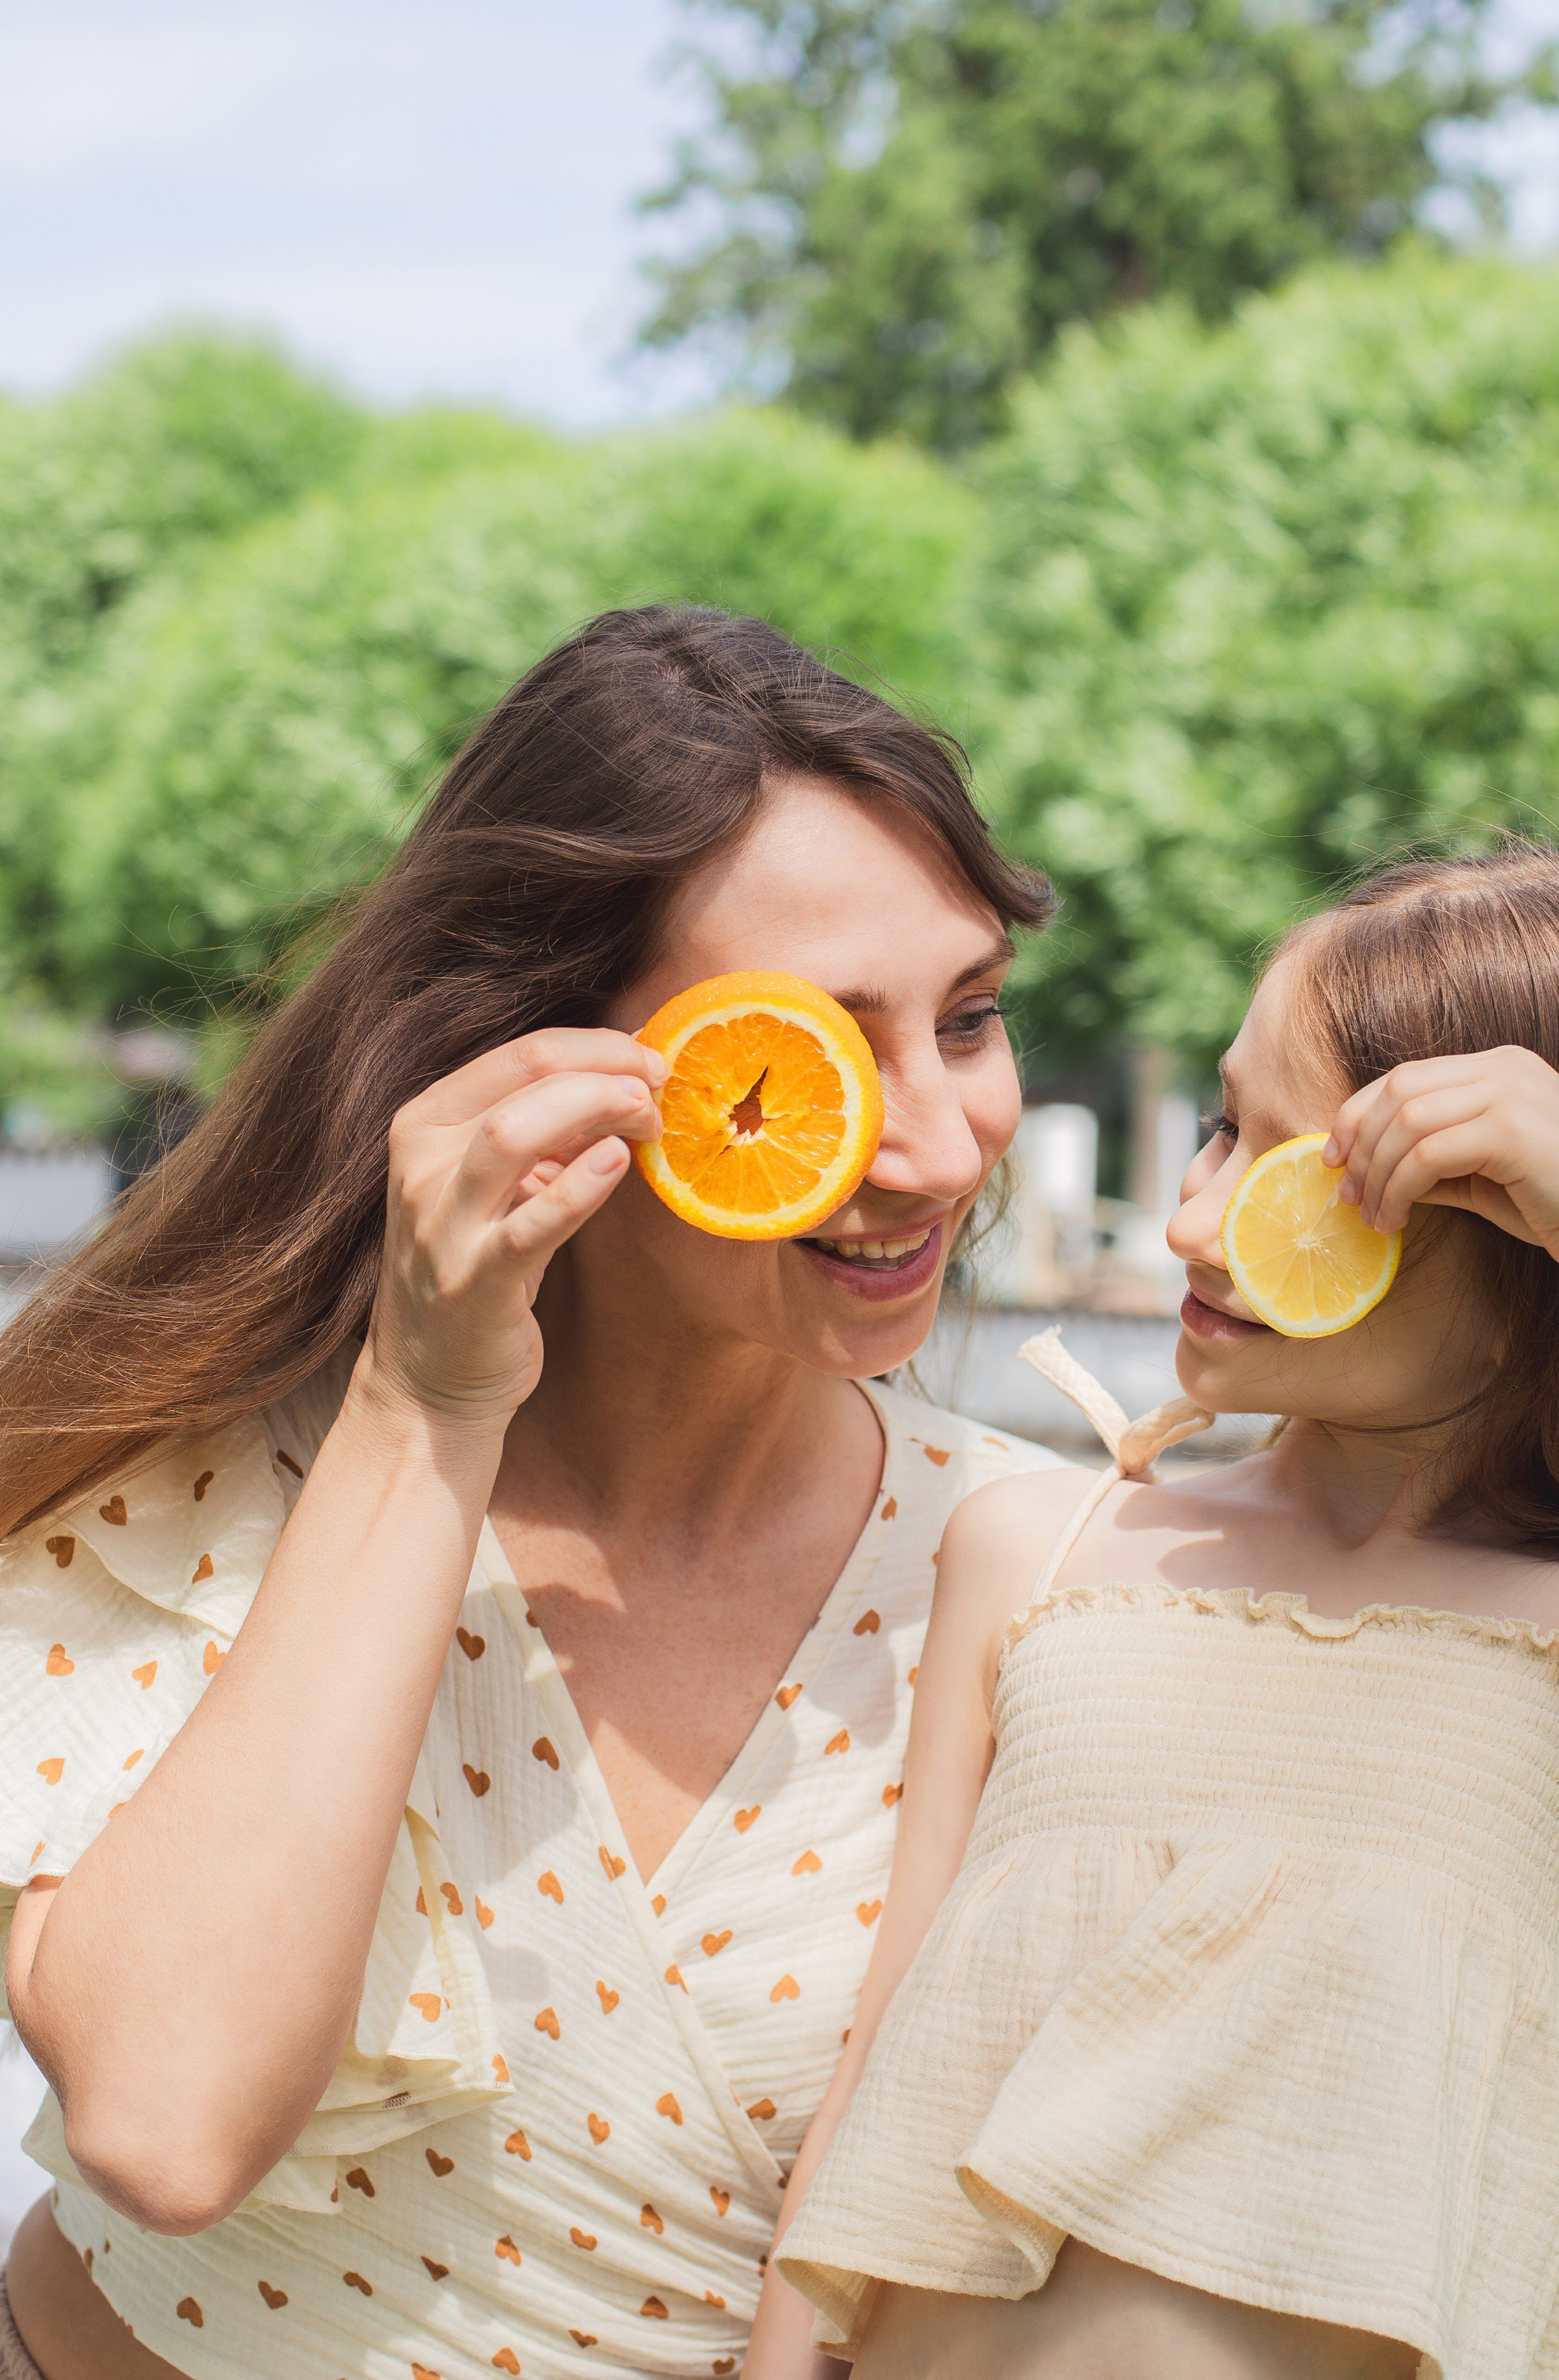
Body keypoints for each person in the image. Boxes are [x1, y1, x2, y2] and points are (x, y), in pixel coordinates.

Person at [0, 605, 1064, 2380]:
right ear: (530, 1056)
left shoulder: (1044, 1565)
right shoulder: (182, 1483)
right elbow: (166, 2124)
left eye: (966, 1020)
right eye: (802, 1051)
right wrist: (426, 1405)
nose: (941, 1145)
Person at [750, 844, 1559, 2380]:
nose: (1191, 1223)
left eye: (1307, 1180)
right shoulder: (1043, 1546)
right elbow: (880, 2079)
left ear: (1540, 1248)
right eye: (1224, 1127)